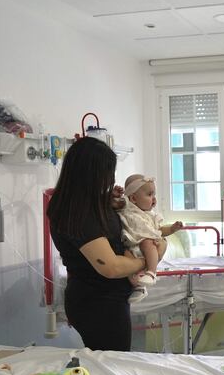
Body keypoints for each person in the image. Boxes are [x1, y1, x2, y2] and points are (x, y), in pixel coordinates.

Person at [46, 137, 166, 351]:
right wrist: (147, 261)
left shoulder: (90, 202)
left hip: (109, 299)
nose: (111, 179)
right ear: (91, 174)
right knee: (111, 362)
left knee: (109, 360)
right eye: (108, 173)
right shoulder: (77, 211)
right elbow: (111, 267)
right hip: (98, 304)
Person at [114, 174, 183, 302]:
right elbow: (114, 203)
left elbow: (159, 231)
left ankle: (151, 272)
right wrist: (115, 195)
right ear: (133, 198)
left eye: (154, 194)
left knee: (147, 242)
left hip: (147, 245)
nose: (154, 199)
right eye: (150, 194)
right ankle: (139, 287)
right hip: (132, 245)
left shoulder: (150, 215)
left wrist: (172, 229)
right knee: (126, 258)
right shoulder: (127, 206)